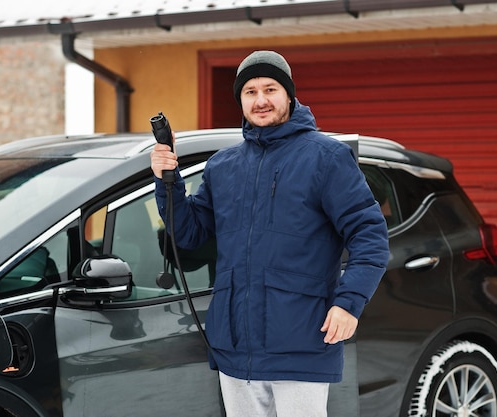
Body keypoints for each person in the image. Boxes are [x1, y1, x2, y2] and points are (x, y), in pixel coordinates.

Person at [150, 50, 389, 417]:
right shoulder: (222, 166)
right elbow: (190, 234)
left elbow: (368, 233)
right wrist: (168, 181)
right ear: (241, 100)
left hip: (301, 338)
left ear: (289, 95)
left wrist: (348, 302)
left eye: (270, 89)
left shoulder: (326, 157)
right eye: (250, 91)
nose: (261, 100)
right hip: (235, 344)